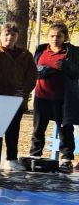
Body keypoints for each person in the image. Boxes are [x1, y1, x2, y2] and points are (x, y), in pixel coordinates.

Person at [0, 22, 35, 169]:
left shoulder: (25, 54)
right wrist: (8, 91)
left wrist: (23, 91)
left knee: (13, 130)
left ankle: (11, 159)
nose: (9, 37)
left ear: (17, 36)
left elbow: (32, 75)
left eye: (13, 34)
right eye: (6, 34)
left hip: (18, 99)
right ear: (0, 35)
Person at [29, 22, 75, 171]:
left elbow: (77, 72)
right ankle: (35, 156)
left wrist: (68, 67)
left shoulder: (72, 52)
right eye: (52, 36)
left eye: (59, 36)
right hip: (42, 96)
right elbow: (32, 69)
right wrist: (41, 71)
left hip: (63, 98)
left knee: (65, 130)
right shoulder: (41, 50)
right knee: (38, 129)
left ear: (65, 37)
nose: (55, 39)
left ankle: (66, 159)